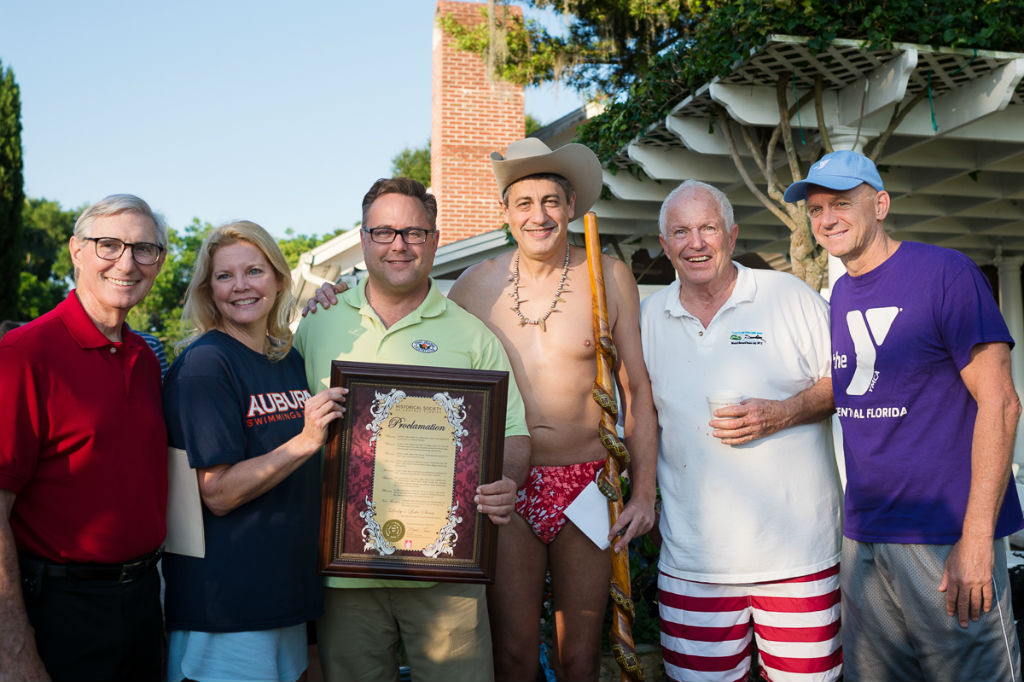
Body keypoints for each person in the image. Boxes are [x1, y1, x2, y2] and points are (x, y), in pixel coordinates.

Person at [784, 149, 1024, 681]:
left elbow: (1002, 404)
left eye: (841, 203)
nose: (826, 219)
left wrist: (977, 539)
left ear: (881, 204)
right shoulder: (841, 293)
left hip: (944, 538)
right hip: (865, 533)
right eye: (817, 209)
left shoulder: (945, 274)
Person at [294, 177, 531, 682]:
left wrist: (506, 479)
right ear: (363, 239)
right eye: (383, 231)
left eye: (414, 233)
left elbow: (513, 431)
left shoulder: (471, 335)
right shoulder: (319, 321)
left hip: (446, 572)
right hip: (344, 572)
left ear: (435, 240)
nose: (398, 245)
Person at [449, 138, 658, 682]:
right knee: (513, 655)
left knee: (579, 658)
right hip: (506, 488)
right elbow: (422, 350)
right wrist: (330, 298)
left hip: (589, 484)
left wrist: (643, 492)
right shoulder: (474, 287)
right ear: (506, 213)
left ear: (571, 208)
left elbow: (635, 388)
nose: (538, 215)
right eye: (524, 202)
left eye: (550, 201)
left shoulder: (607, 277)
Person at [639, 180, 843, 682]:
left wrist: (785, 411)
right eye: (681, 231)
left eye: (707, 227)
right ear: (665, 246)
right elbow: (638, 415)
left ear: (732, 234)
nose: (696, 242)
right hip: (693, 563)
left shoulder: (788, 297)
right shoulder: (649, 318)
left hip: (799, 559)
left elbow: (847, 381)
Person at [161, 221, 345, 682]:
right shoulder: (206, 365)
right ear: (209, 289)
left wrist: (336, 310)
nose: (241, 286)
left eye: (254, 271)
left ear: (279, 279)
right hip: (226, 607)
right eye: (225, 276)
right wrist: (304, 441)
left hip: (285, 594)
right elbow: (217, 494)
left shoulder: (287, 359)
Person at [0, 194, 168, 681]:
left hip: (140, 602)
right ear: (76, 251)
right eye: (108, 245)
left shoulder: (144, 358)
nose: (127, 263)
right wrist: (12, 647)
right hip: (58, 610)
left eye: (144, 249)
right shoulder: (25, 354)